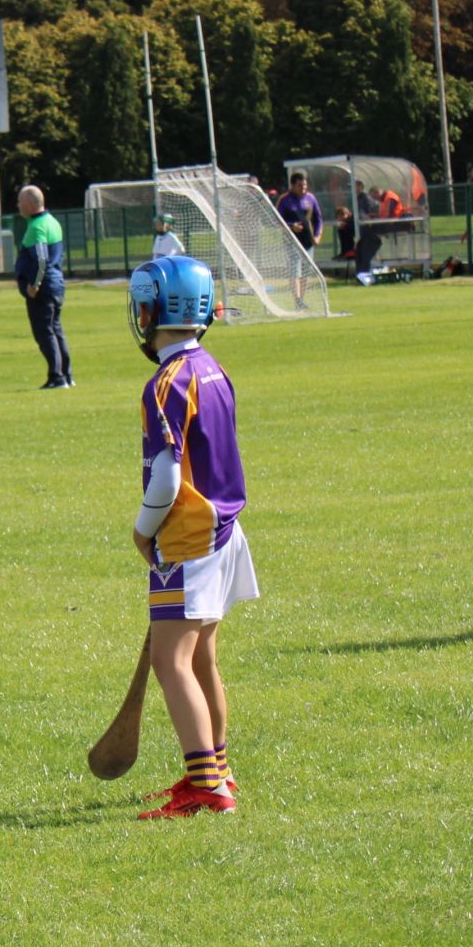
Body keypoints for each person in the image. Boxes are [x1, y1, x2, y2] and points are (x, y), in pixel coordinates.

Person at [126, 255, 260, 818]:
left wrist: (142, 528)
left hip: (187, 539)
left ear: (151, 309)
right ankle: (215, 769)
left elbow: (166, 475)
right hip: (226, 532)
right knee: (202, 656)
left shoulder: (164, 383)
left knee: (170, 661)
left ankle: (208, 786)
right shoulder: (212, 367)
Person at [15, 185, 73, 389]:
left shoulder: (37, 226)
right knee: (56, 329)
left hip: (44, 287)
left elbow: (41, 259)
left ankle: (57, 378)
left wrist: (35, 284)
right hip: (56, 283)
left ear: (30, 204)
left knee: (45, 331)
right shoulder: (52, 222)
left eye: (20, 202)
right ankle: (66, 374)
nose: (18, 206)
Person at [275, 171, 322, 309]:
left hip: (308, 242)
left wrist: (317, 235)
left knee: (305, 272)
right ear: (293, 185)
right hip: (291, 241)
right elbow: (276, 219)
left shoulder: (311, 199)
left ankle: (301, 298)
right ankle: (297, 300)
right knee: (295, 271)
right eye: (300, 185)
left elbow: (318, 219)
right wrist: (291, 226)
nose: (303, 188)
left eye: (305, 185)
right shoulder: (285, 200)